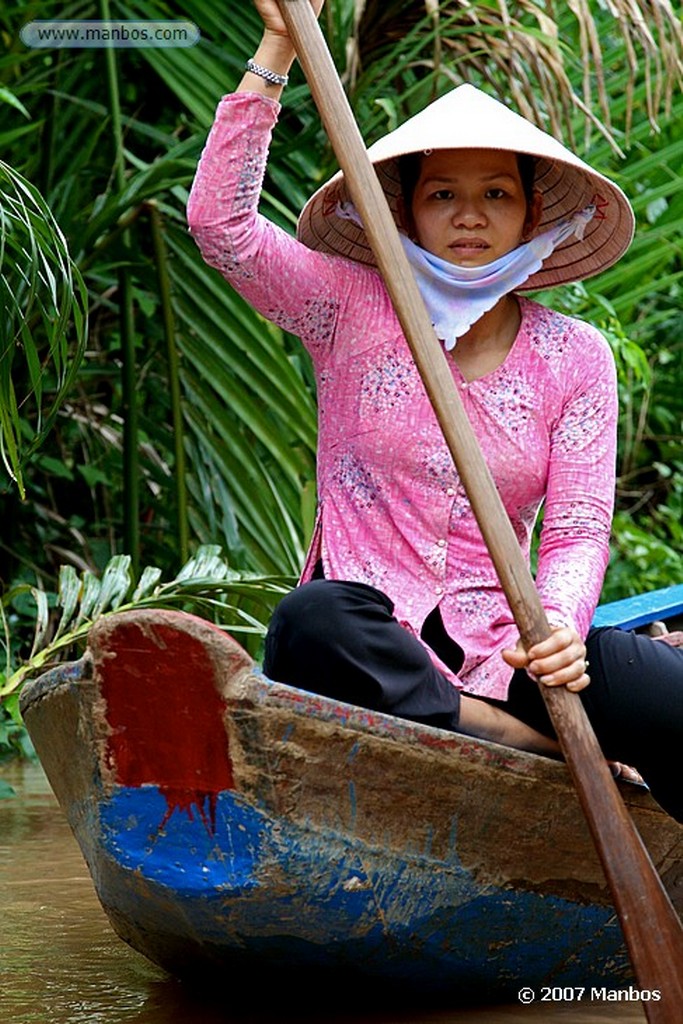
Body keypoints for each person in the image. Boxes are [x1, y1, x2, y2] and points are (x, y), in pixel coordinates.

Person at [187, 0, 683, 821]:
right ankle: (512, 745)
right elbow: (222, 227)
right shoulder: (344, 304)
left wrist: (555, 632)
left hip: (510, 647)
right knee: (312, 620)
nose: (468, 214)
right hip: (369, 645)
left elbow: (575, 527)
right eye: (441, 193)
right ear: (405, 210)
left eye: (495, 192)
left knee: (653, 689)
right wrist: (276, 50)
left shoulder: (575, 355)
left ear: (531, 212)